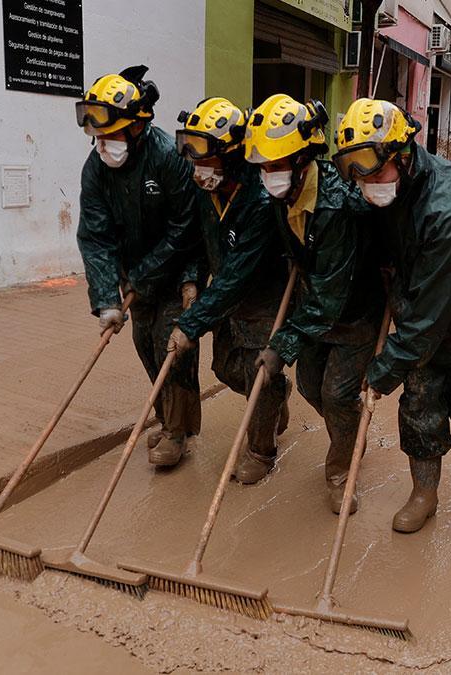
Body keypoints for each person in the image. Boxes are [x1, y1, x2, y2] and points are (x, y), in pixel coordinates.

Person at [332, 99, 451, 534]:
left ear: (401, 155)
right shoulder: (385, 187)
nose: (364, 184)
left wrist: (382, 371)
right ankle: (425, 492)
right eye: (354, 172)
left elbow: (427, 322)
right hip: (423, 298)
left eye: (372, 171)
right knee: (419, 401)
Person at [246, 94, 385, 513]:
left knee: (337, 394)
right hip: (315, 308)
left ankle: (341, 470)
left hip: (354, 311)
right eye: (263, 166)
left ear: (302, 159)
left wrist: (280, 346)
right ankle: (352, 430)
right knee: (309, 386)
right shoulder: (281, 195)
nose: (268, 174)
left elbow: (330, 297)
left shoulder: (336, 204)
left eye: (276, 164)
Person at [75, 65, 204, 466]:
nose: (102, 143)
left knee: (174, 351)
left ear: (136, 127)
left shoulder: (168, 157)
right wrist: (106, 299)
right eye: (97, 135)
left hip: (177, 272)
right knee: (147, 349)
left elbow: (187, 226)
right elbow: (95, 236)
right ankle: (166, 420)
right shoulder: (96, 168)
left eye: (111, 134)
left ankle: (177, 433)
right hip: (136, 279)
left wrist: (153, 276)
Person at [166, 97, 292, 477]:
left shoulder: (258, 198)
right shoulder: (207, 189)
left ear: (232, 154)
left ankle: (260, 452)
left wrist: (190, 325)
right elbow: (197, 243)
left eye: (203, 153)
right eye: (190, 151)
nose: (195, 164)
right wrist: (191, 281)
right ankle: (275, 397)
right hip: (225, 298)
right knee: (224, 367)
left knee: (259, 372)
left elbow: (240, 273)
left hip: (262, 296)